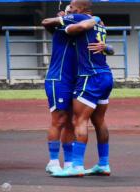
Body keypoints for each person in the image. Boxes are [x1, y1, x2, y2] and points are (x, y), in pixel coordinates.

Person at [47, 0, 114, 177]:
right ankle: (103, 163)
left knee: (79, 120)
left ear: (80, 10)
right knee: (98, 120)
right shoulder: (100, 25)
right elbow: (47, 23)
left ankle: (75, 166)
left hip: (89, 76)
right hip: (105, 75)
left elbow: (76, 27)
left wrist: (68, 21)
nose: (69, 7)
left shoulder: (79, 19)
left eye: (71, 6)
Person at [41, 5, 77, 175]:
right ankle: (53, 162)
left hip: (75, 81)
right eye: (69, 11)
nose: (72, 14)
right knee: (59, 120)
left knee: (71, 123)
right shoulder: (61, 28)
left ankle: (69, 162)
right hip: (58, 80)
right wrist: (62, 19)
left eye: (74, 11)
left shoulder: (84, 29)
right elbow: (46, 23)